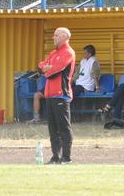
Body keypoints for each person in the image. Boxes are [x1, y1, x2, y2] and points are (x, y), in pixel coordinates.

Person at [38, 27, 75, 164]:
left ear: (64, 36)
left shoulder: (68, 52)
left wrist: (47, 68)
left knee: (64, 127)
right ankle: (56, 157)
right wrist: (45, 67)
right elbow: (40, 66)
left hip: (61, 94)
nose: (53, 38)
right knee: (53, 129)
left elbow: (54, 71)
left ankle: (66, 157)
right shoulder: (53, 53)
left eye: (56, 35)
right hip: (50, 95)